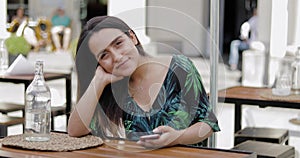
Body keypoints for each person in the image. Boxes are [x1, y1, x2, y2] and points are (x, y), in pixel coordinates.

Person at [68, 16, 220, 148]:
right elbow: (75, 131)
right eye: (104, 55)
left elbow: (208, 123)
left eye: (118, 43)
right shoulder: (113, 88)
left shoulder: (179, 68)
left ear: (132, 37)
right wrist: (98, 82)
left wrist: (177, 137)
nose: (117, 57)